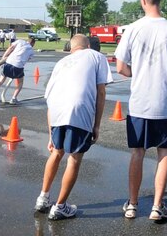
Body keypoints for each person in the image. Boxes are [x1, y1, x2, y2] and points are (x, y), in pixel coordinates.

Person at [114, 0, 167, 223]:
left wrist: (138, 73)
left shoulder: (133, 29)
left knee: (138, 152)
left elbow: (121, 67)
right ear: (160, 0)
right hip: (163, 102)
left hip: (139, 102)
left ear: (142, 0)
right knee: (164, 151)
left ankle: (132, 205)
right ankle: (156, 206)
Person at [35, 34, 112, 220]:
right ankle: (60, 207)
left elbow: (50, 98)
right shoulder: (96, 56)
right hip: (78, 110)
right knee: (74, 158)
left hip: (56, 111)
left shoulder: (61, 63)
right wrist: (96, 125)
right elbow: (101, 92)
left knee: (56, 152)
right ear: (88, 46)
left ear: (71, 48)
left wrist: (50, 134)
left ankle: (43, 198)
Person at [0, 37, 36, 105]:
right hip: (18, 67)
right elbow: (27, 59)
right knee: (20, 82)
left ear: (27, 40)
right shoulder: (31, 51)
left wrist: (3, 57)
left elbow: (10, 48)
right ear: (33, 43)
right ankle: (13, 98)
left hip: (8, 63)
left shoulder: (20, 41)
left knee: (0, 81)